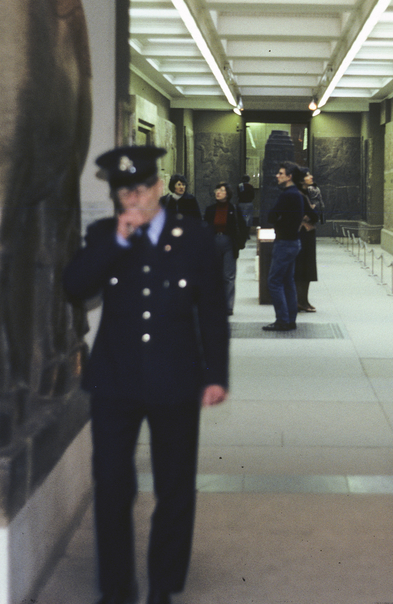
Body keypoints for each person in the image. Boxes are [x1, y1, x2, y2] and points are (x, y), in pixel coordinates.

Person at [63, 145, 229, 604]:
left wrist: (216, 374)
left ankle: (162, 586)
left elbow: (212, 310)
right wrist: (116, 240)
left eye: (139, 189)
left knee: (174, 488)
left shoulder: (193, 237)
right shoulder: (104, 234)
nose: (132, 200)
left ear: (157, 188)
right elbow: (75, 287)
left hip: (176, 380)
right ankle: (117, 590)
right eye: (123, 193)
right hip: (114, 382)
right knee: (113, 486)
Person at [263, 161, 304, 331]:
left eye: (281, 173)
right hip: (293, 241)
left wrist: (277, 218)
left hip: (284, 243)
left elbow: (272, 216)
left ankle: (282, 320)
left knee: (274, 281)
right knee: (287, 282)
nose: (277, 176)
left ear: (289, 176)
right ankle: (290, 319)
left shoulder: (288, 195)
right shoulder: (297, 194)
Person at [203, 181, 249, 315]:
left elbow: (243, 226)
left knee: (228, 276)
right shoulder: (210, 209)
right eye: (217, 189)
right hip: (213, 242)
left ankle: (228, 306)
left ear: (227, 194)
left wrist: (240, 244)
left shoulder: (234, 209)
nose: (218, 192)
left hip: (229, 242)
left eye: (222, 190)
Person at [295, 170, 322, 312]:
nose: (311, 177)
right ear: (301, 179)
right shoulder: (299, 195)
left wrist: (311, 213)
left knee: (306, 270)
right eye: (307, 175)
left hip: (307, 234)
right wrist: (311, 213)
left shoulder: (306, 194)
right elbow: (313, 215)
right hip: (303, 234)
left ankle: (304, 300)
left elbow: (313, 214)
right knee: (303, 269)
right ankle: (301, 301)